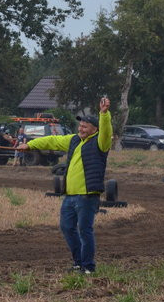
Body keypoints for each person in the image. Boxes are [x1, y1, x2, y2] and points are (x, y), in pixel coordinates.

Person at [15, 97, 112, 274]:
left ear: (95, 129)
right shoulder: (74, 140)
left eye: (85, 126)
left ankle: (88, 267)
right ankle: (78, 263)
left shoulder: (101, 143)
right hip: (70, 196)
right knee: (67, 228)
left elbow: (106, 130)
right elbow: (52, 140)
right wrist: (29, 145)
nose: (81, 129)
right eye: (80, 126)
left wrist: (104, 114)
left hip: (87, 196)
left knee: (85, 230)